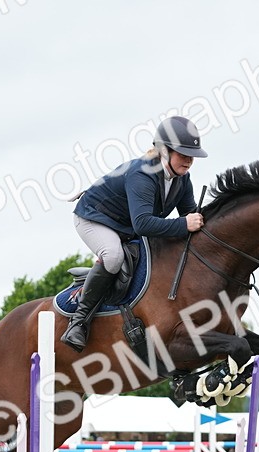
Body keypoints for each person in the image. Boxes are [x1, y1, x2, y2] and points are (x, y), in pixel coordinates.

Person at [61, 115, 209, 352]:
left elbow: (190, 216)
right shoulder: (143, 174)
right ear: (163, 151)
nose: (189, 161)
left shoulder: (182, 179)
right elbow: (143, 225)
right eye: (183, 155)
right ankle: (78, 322)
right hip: (95, 218)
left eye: (192, 156)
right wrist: (183, 224)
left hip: (126, 224)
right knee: (113, 256)